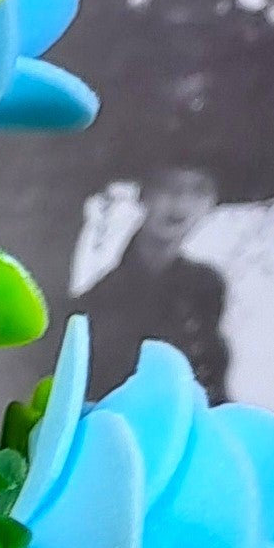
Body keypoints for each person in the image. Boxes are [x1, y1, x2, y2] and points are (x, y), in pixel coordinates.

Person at [77, 164, 230, 400]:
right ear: (144, 194)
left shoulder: (206, 288)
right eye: (168, 186)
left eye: (198, 190)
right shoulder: (100, 299)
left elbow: (212, 387)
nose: (181, 201)